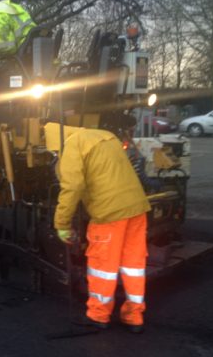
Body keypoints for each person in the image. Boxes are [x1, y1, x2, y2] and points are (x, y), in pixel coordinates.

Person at [45, 123, 151, 333]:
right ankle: (134, 316)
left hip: (109, 214)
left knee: (103, 266)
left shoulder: (72, 146)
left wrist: (62, 223)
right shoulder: (106, 135)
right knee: (133, 265)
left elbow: (73, 186)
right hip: (137, 208)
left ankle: (98, 315)